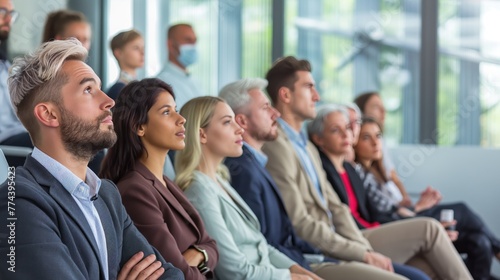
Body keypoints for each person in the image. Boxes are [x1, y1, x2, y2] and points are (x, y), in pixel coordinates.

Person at [262, 56, 472, 280]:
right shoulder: (278, 147)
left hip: (347, 238)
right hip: (319, 252)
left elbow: (338, 208)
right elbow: (301, 223)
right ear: (285, 95)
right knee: (426, 246)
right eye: (309, 87)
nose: (317, 96)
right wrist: (362, 253)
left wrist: (365, 249)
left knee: (427, 262)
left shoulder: (306, 147)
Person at [0, 39, 183, 279]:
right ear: (49, 114)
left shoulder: (107, 194)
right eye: (88, 90)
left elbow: (171, 275)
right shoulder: (18, 202)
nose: (109, 101)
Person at [220, 78, 429, 280]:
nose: (275, 112)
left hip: (315, 252)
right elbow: (267, 241)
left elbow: (336, 209)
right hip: (304, 259)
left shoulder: (267, 161)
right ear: (242, 121)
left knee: (423, 269)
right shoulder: (247, 168)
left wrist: (361, 251)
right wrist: (357, 254)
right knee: (426, 241)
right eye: (266, 107)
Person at [176, 96, 317, 280]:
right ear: (202, 134)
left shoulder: (220, 179)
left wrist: (299, 271)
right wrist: (292, 278)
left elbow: (261, 244)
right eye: (227, 122)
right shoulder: (200, 192)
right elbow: (234, 271)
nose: (239, 129)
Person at [351, 116, 500, 280]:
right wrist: (417, 208)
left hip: (408, 215)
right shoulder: (360, 176)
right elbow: (383, 215)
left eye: (378, 136)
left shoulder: (380, 175)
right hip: (400, 223)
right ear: (355, 143)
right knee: (462, 209)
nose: (375, 142)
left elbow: (397, 205)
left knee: (480, 242)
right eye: (366, 137)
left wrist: (416, 204)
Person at [100, 78, 219, 279]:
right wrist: (201, 254)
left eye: (176, 109)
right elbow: (177, 274)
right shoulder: (135, 191)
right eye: (166, 112)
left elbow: (212, 245)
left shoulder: (164, 181)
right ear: (139, 127)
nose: (181, 119)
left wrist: (199, 252)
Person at [0, 0, 33, 167]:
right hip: (5, 143)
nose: (8, 19)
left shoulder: (6, 65)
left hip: (18, 133)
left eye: (11, 14)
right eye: (2, 11)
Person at [156, 23, 202, 110]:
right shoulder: (161, 83)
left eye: (195, 41)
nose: (193, 46)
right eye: (188, 40)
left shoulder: (194, 81)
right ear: (171, 45)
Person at [107, 30, 144, 100]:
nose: (142, 53)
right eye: (136, 48)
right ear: (118, 53)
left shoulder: (138, 87)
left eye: (143, 48)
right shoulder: (118, 90)